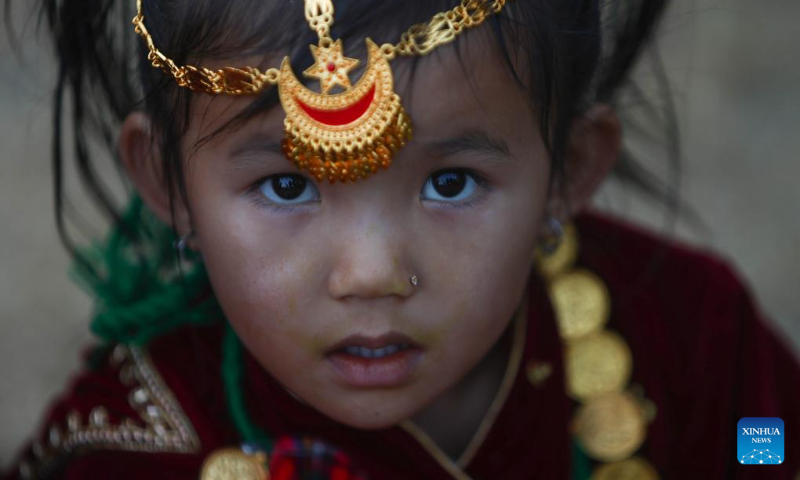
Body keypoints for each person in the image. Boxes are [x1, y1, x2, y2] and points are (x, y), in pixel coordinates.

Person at [3, 0, 799, 478]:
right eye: (287, 186)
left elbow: (766, 442)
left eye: (450, 183)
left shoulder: (694, 335)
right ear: (167, 184)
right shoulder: (135, 452)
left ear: (570, 169)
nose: (372, 274)